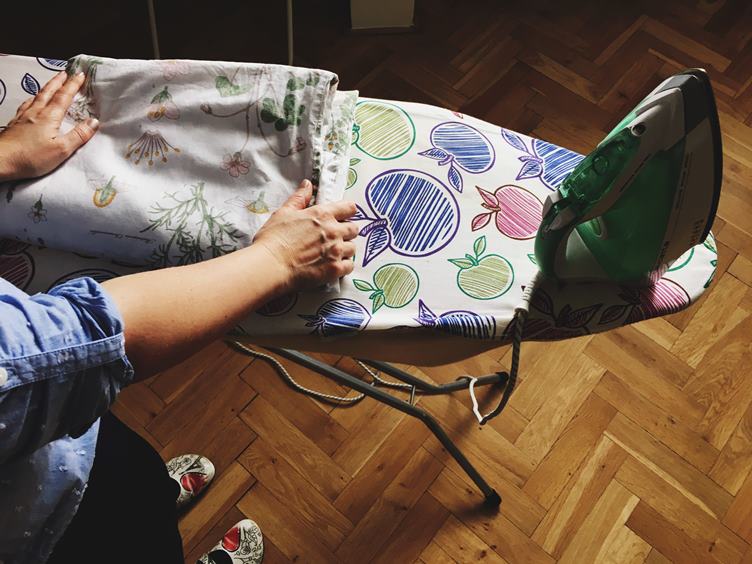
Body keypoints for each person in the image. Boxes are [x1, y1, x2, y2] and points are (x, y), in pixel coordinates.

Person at [0, 71, 358, 564]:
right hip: (39, 527)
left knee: (132, 482)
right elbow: (75, 348)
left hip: (52, 448)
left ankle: (151, 498)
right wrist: (277, 260)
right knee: (122, 539)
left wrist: (5, 158)